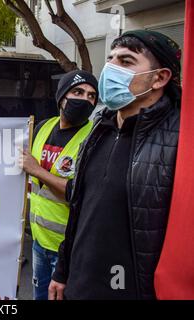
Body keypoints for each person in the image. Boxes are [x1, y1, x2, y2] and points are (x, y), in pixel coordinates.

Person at [48, 30, 182, 300]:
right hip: (79, 285)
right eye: (110, 59)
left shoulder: (180, 139)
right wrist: (62, 272)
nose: (110, 68)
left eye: (126, 61)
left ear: (160, 78)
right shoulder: (99, 129)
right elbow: (80, 207)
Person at [19, 70, 98, 300]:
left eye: (92, 96)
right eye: (78, 92)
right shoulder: (44, 126)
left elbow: (80, 192)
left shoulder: (93, 137)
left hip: (68, 250)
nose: (85, 99)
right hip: (38, 242)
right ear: (62, 97)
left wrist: (37, 170)